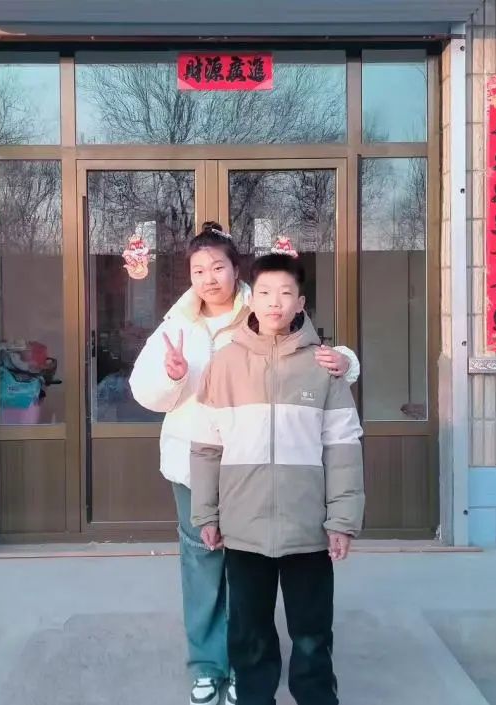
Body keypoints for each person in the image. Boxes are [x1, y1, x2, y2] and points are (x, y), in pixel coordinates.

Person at [129, 223, 360, 705]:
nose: (209, 277)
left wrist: (345, 361)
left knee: (253, 584)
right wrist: (173, 378)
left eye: (218, 267)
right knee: (203, 567)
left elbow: (318, 361)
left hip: (283, 483)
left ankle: (245, 669)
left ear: (237, 271)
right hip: (201, 465)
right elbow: (147, 394)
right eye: (198, 270)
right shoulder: (176, 325)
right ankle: (207, 664)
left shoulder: (265, 304)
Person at [191, 253, 365, 705]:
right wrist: (206, 514)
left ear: (300, 302)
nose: (275, 302)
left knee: (312, 633)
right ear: (251, 300)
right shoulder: (225, 364)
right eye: (265, 292)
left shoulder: (324, 366)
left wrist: (342, 520)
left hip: (307, 529)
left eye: (286, 293)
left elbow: (344, 446)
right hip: (244, 528)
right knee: (249, 634)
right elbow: (206, 447)